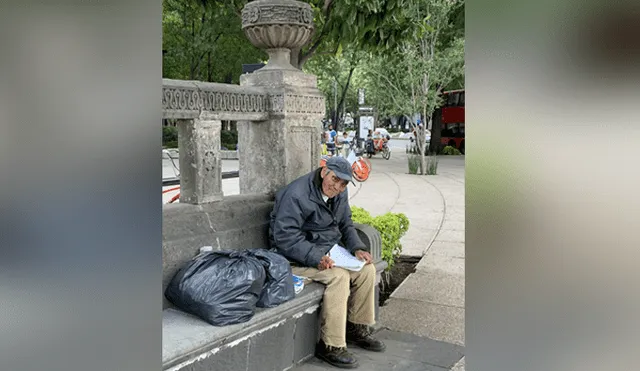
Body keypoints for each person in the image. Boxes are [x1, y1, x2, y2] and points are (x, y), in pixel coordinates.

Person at [269, 157, 385, 369]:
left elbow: (346, 224)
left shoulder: (339, 193)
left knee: (366, 269)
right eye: (335, 180)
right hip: (294, 257)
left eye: (344, 183)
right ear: (324, 172)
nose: (338, 187)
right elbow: (285, 237)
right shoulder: (296, 194)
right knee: (339, 277)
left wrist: (357, 248)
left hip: (328, 251)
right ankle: (330, 345)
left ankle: (356, 327)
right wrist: (315, 257)